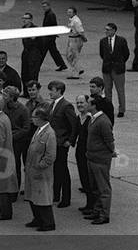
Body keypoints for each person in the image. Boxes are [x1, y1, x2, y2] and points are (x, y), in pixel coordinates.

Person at [46, 80, 78, 208]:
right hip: (54, 141)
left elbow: (73, 124)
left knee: (62, 170)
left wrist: (70, 140)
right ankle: (56, 194)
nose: (49, 93)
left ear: (59, 91)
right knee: (56, 169)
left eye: (51, 90)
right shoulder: (52, 104)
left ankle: (66, 198)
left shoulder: (66, 106)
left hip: (61, 142)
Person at [84, 94, 115, 224]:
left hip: (100, 159)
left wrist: (109, 153)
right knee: (95, 188)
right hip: (92, 157)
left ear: (94, 106)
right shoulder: (93, 119)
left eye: (88, 103)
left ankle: (104, 215)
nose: (86, 105)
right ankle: (97, 211)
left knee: (103, 188)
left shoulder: (103, 121)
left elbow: (109, 140)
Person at [24, 107, 57, 231]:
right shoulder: (39, 130)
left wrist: (39, 166)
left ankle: (48, 223)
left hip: (41, 172)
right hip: (32, 169)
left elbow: (50, 156)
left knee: (43, 198)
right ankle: (37, 219)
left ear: (40, 118)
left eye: (33, 117)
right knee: (34, 197)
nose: (32, 119)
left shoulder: (49, 133)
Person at [2, 86, 30, 190]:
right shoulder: (3, 107)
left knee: (15, 166)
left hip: (17, 142)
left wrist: (12, 137)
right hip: (4, 139)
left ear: (12, 97)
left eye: (5, 95)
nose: (3, 97)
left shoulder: (23, 110)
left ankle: (14, 189)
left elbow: (26, 128)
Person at [99, 22, 129, 117]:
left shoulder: (121, 40)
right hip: (107, 68)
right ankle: (108, 109)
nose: (106, 31)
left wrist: (119, 63)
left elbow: (126, 54)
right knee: (107, 90)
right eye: (106, 29)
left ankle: (121, 109)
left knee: (120, 90)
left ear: (114, 30)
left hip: (118, 69)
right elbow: (102, 54)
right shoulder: (103, 41)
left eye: (108, 30)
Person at [19, 12, 45, 92]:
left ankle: (33, 91)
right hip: (26, 53)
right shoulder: (23, 28)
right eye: (23, 18)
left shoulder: (35, 29)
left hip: (34, 54)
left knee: (32, 74)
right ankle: (26, 92)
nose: (24, 20)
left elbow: (41, 43)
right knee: (24, 74)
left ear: (30, 20)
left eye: (26, 19)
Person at [40, 1, 67, 71]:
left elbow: (52, 25)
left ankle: (37, 65)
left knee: (42, 51)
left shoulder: (50, 15)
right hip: (50, 36)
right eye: (43, 6)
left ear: (49, 6)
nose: (44, 8)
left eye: (45, 6)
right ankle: (62, 64)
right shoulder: (48, 14)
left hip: (49, 36)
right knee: (53, 51)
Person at [65, 6, 86, 78]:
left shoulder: (76, 21)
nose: (68, 13)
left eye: (70, 12)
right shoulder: (72, 19)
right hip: (72, 38)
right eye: (68, 12)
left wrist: (84, 39)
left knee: (73, 56)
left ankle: (75, 73)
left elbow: (81, 31)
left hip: (76, 39)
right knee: (69, 56)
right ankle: (78, 69)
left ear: (74, 13)